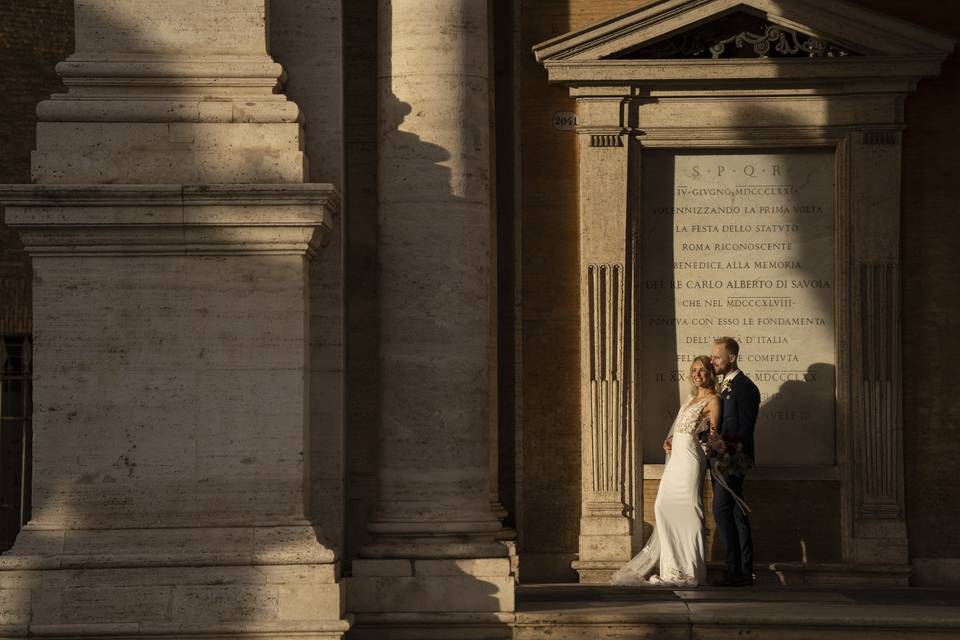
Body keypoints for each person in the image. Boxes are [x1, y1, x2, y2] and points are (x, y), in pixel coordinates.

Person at [611, 356, 720, 586]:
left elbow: (713, 435)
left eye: (702, 370)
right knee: (662, 506)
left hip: (691, 459)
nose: (697, 374)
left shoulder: (714, 400)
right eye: (693, 370)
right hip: (676, 458)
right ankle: (671, 569)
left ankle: (689, 570)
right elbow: (680, 428)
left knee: (689, 510)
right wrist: (670, 440)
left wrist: (713, 446)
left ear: (710, 373)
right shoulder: (691, 399)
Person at [709, 336, 760, 587]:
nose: (712, 361)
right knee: (737, 513)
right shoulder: (722, 387)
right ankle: (743, 572)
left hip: (733, 460)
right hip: (721, 459)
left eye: (717, 356)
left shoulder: (745, 387)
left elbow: (744, 429)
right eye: (712, 356)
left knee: (721, 510)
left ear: (732, 357)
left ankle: (735, 571)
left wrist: (725, 452)